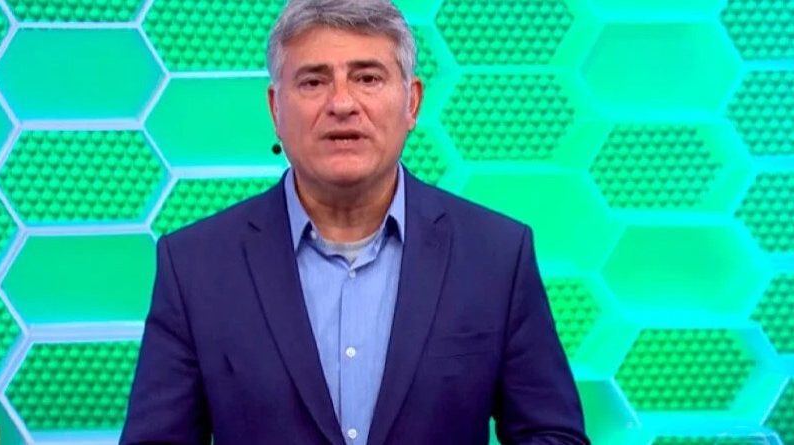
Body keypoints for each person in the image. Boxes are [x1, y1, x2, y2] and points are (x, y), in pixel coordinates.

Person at [120, 0, 589, 444]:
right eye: (313, 82)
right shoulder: (196, 266)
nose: (342, 103)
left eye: (367, 78)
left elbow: (553, 434)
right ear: (275, 109)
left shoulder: (496, 256)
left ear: (412, 103)